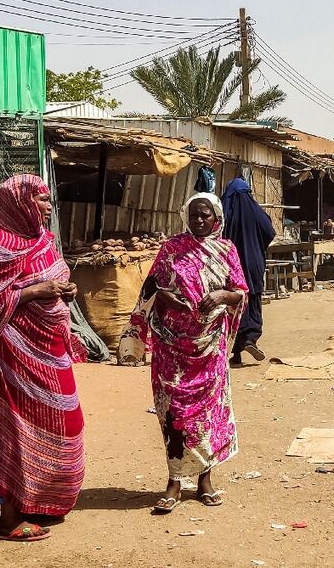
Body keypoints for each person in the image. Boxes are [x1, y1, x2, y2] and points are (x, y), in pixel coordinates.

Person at [0, 174, 86, 542]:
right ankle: (10, 518)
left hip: (50, 352)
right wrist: (37, 291)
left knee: (64, 422)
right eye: (41, 199)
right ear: (20, 203)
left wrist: (64, 292)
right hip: (13, 357)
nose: (48, 207)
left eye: (49, 200)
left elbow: (54, 280)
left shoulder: (43, 242)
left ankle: (36, 501)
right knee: (17, 430)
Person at [119, 193, 248, 514]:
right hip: (171, 348)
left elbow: (240, 292)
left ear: (216, 216)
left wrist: (220, 295)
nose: (199, 220)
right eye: (194, 215)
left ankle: (205, 480)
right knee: (173, 414)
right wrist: (166, 297)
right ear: (185, 216)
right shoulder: (171, 249)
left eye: (205, 215)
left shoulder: (227, 250)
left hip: (209, 347)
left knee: (207, 414)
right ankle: (174, 482)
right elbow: (150, 288)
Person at [221, 177, 277, 365]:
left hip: (230, 266)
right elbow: (269, 231)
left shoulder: (223, 212)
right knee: (253, 300)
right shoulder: (255, 211)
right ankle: (250, 338)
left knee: (232, 305)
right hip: (253, 263)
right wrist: (258, 246)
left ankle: (235, 352)